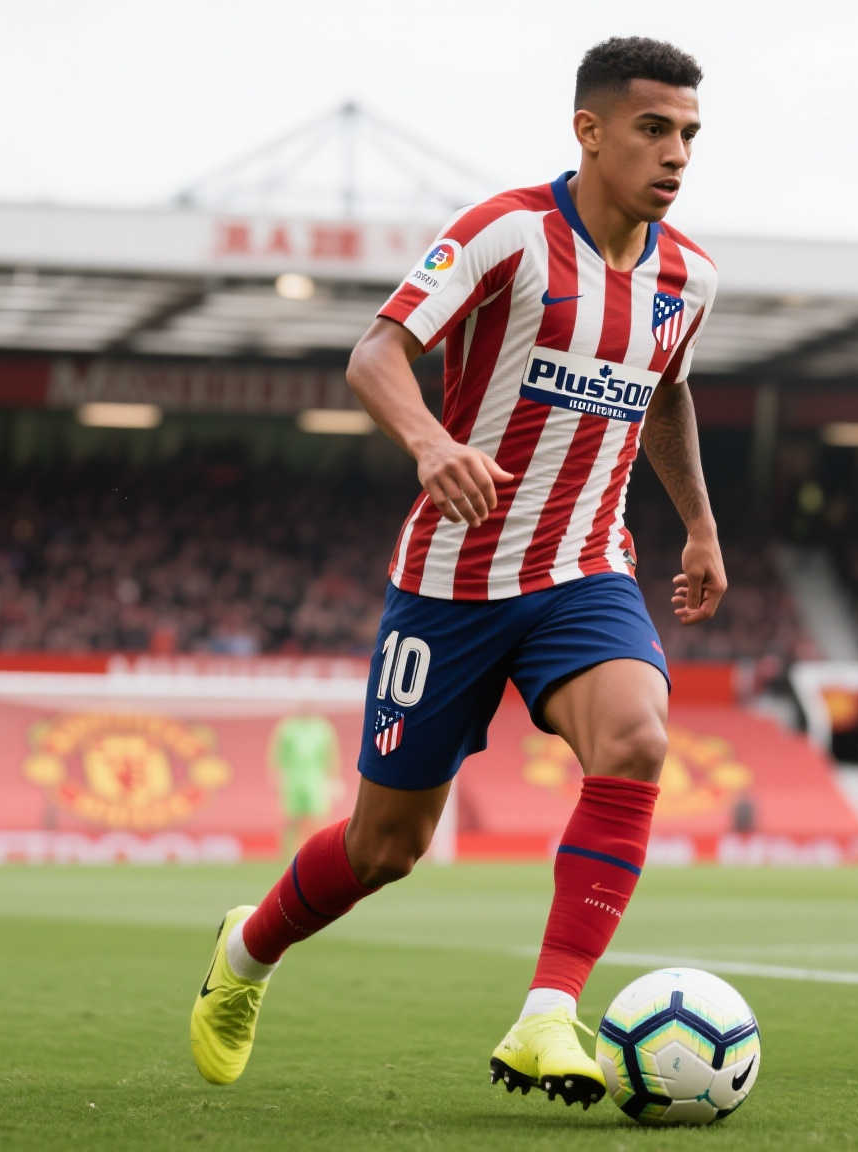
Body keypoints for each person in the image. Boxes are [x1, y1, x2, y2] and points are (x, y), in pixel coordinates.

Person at [191, 37, 725, 1108]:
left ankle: (547, 1014)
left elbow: (666, 392)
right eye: (653, 130)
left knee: (636, 738)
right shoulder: (506, 233)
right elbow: (375, 353)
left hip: (584, 569)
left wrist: (701, 526)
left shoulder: (689, 277)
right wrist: (431, 443)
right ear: (589, 131)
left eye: (689, 134)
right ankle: (245, 954)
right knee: (387, 847)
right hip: (451, 583)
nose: (676, 154)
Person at [267, 711, 340, 855]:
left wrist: (334, 779)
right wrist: (275, 776)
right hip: (292, 780)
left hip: (316, 781)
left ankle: (314, 851)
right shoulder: (286, 728)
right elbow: (276, 755)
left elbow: (332, 755)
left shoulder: (323, 728)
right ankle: (289, 854)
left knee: (316, 819)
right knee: (291, 819)